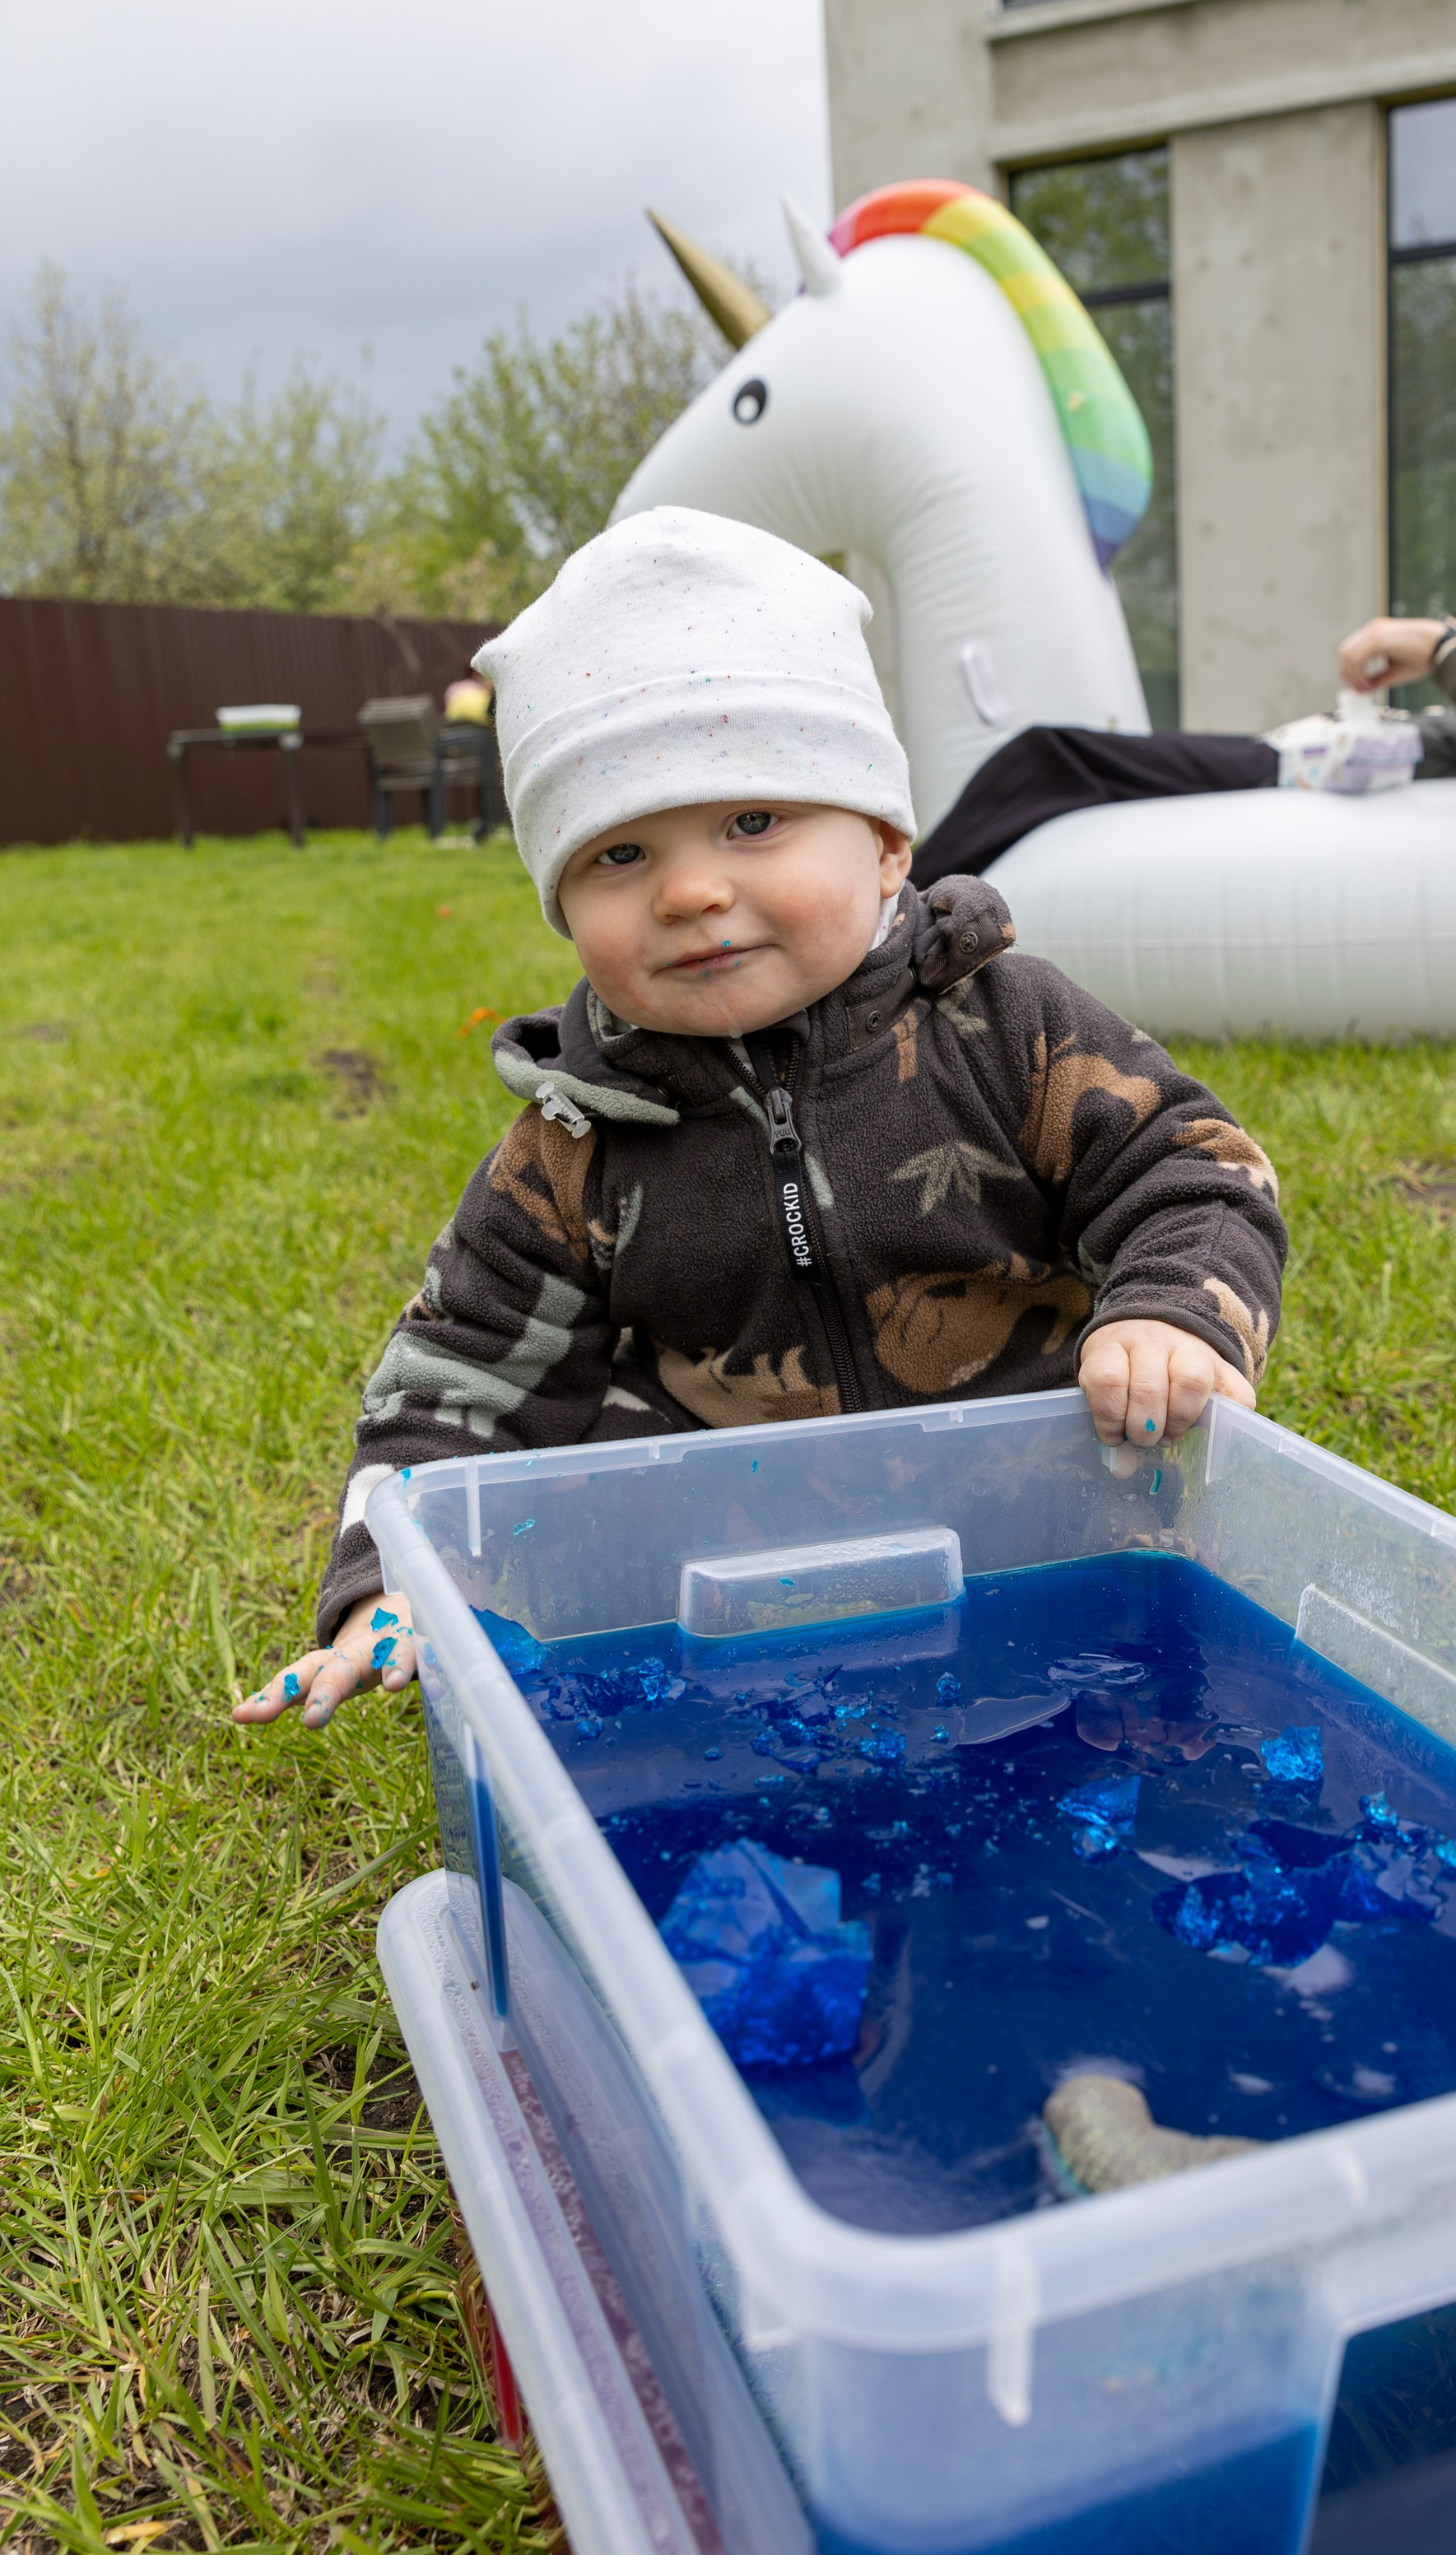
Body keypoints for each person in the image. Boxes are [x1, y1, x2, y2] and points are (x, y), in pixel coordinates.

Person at [234, 510, 1286, 1733]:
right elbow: (456, 1385)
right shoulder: (577, 1145)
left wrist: (1173, 1312)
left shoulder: (1008, 1027)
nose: (689, 889)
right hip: (743, 1616)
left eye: (752, 822)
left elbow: (1198, 1174)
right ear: (562, 908)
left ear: (888, 843)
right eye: (619, 852)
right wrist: (394, 1581)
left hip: (1058, 1544)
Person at [911, 512, 1456, 889]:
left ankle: (890, 916)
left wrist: (1444, 648)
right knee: (1062, 760)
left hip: (1333, 774)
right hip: (1343, 762)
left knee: (1051, 757)